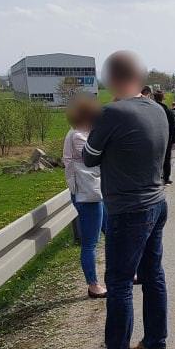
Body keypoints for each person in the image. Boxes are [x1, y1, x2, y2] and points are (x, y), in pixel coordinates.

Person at [82, 51, 169, 349]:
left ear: (114, 79)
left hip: (128, 210)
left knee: (118, 282)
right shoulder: (157, 109)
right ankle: (155, 341)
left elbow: (90, 158)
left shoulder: (112, 114)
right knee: (153, 275)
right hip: (157, 202)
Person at [63, 96, 107, 299]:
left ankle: (119, 273)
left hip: (97, 192)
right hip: (87, 195)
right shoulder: (78, 136)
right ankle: (93, 285)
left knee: (111, 231)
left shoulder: (85, 133)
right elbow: (95, 159)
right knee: (90, 242)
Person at [153, 90, 175, 184]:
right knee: (166, 158)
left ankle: (155, 178)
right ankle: (166, 178)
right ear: (163, 98)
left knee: (153, 158)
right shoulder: (168, 111)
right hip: (166, 139)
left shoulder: (150, 109)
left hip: (152, 138)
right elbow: (173, 126)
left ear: (154, 98)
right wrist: (173, 139)